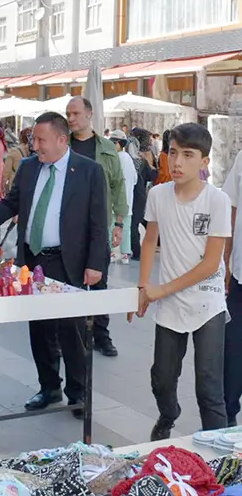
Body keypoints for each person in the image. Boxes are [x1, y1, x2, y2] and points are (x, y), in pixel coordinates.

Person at [0, 112, 107, 415]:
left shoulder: (89, 171)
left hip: (68, 261)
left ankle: (79, 393)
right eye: (33, 139)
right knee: (39, 330)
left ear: (61, 139)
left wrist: (96, 264)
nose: (35, 146)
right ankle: (49, 388)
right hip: (32, 260)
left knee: (73, 332)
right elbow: (10, 203)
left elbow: (98, 222)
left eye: (41, 140)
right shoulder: (29, 168)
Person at [132, 122, 230, 441]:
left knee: (209, 386)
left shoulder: (216, 200)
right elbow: (149, 241)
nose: (177, 163)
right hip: (170, 304)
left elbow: (210, 264)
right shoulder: (158, 194)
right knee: (161, 377)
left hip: (207, 301)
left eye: (188, 155)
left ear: (204, 163)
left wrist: (159, 289)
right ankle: (168, 413)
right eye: (173, 153)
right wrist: (143, 287)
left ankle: (222, 457)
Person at [66, 96, 127, 357]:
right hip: (66, 229)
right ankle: (72, 337)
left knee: (99, 285)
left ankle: (101, 336)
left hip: (98, 227)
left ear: (89, 115)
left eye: (76, 113)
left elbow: (118, 185)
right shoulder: (62, 146)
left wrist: (120, 223)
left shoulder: (106, 148)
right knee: (68, 285)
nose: (70, 118)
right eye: (68, 114)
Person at [222, 149, 242, 427]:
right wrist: (224, 264)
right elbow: (231, 210)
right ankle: (226, 417)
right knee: (232, 350)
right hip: (240, 276)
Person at [128, 128, 159, 260]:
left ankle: (137, 252)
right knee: (142, 220)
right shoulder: (141, 160)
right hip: (141, 194)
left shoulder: (127, 159)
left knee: (135, 223)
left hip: (133, 195)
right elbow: (153, 175)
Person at [109, 130, 137, 264]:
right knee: (126, 227)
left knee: (111, 225)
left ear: (119, 143)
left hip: (116, 199)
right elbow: (135, 179)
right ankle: (125, 254)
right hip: (128, 200)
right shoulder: (129, 159)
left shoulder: (116, 158)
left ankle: (111, 252)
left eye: (113, 142)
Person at [2, 127, 31, 195]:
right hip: (29, 184)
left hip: (15, 183)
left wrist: (3, 186)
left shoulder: (14, 151)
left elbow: (6, 172)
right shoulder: (36, 152)